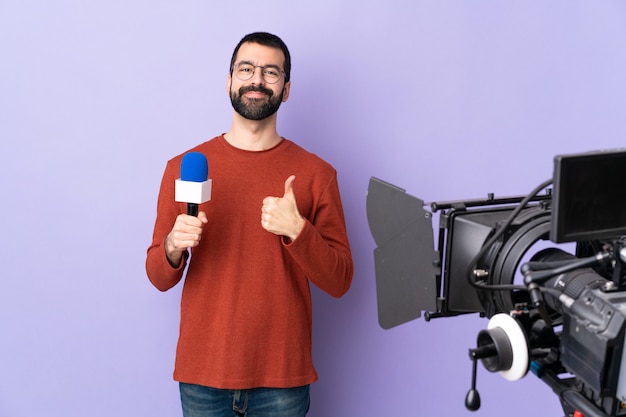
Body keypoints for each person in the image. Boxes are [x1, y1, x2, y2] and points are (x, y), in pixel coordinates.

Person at [145, 31, 354, 417]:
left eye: (270, 72)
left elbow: (341, 281)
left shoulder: (316, 174)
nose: (257, 79)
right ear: (229, 81)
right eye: (246, 69)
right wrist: (174, 246)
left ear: (286, 89)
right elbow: (158, 277)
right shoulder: (183, 167)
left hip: (282, 380)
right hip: (202, 375)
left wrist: (298, 231)